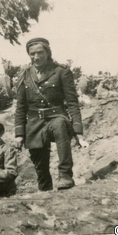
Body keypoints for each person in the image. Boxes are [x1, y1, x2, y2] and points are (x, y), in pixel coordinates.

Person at [14, 37, 89, 192]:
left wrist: (78, 133)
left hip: (56, 117)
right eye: (32, 53)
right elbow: (21, 106)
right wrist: (19, 134)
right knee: (40, 165)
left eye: (40, 52)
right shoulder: (25, 74)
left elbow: (73, 103)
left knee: (60, 125)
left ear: (47, 52)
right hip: (34, 122)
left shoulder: (61, 71)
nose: (36, 57)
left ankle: (65, 176)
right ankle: (45, 190)